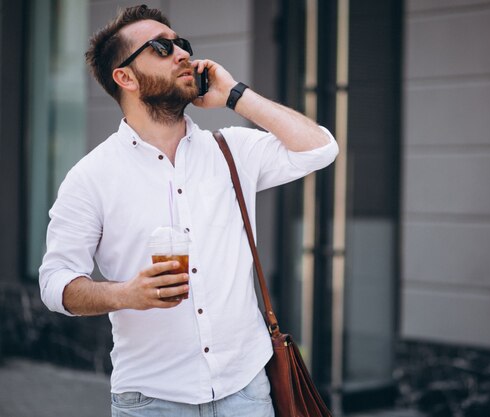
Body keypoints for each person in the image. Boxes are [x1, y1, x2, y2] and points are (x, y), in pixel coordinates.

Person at [38, 4, 338, 417]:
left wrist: (236, 95)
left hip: (246, 392)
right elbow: (55, 283)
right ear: (124, 77)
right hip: (151, 400)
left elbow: (321, 148)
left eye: (182, 44)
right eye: (161, 47)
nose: (181, 53)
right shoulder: (90, 177)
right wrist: (126, 294)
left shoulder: (231, 151)